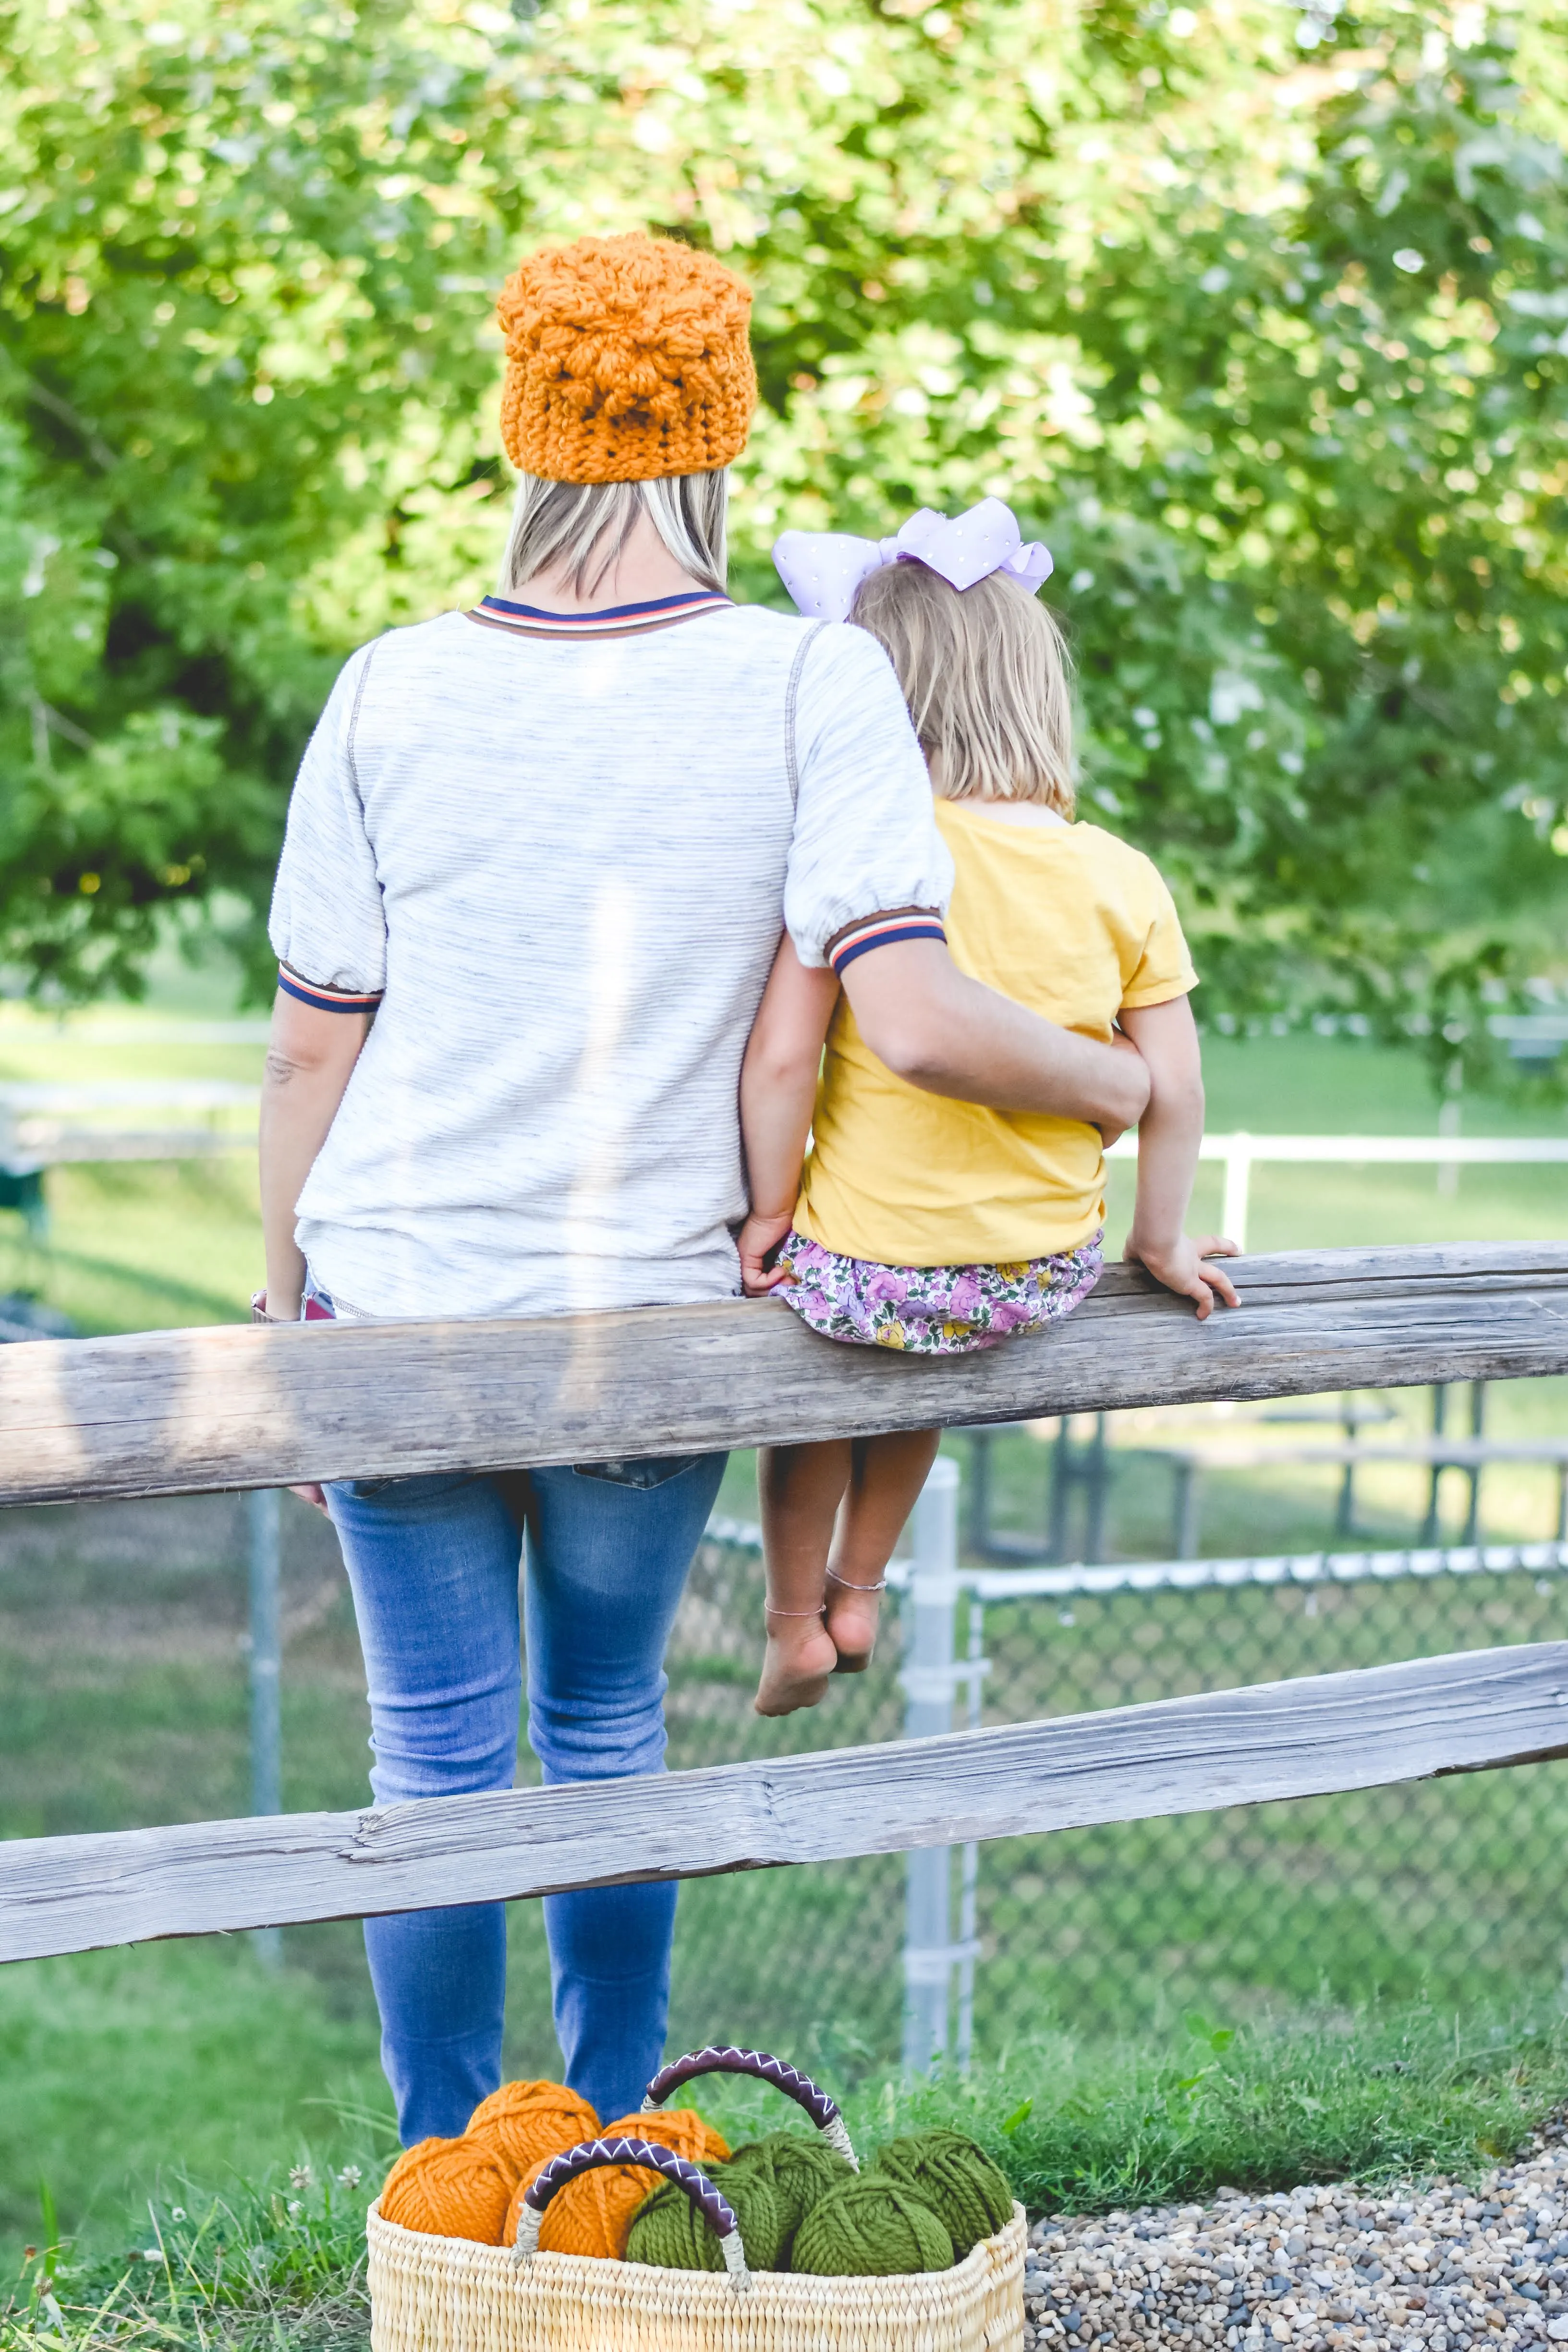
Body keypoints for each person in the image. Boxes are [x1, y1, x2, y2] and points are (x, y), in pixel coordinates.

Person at [256, 233, 1150, 2144]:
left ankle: (443, 2177)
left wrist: (282, 1309)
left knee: (433, 1763)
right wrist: (1121, 1082)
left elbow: (310, 1047)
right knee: (603, 1732)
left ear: (525, 434)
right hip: (646, 1333)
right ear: (718, 437)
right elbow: (905, 1014)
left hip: (394, 1314)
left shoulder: (391, 688)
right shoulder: (808, 681)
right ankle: (607, 2152)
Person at [737, 500, 1240, 1717]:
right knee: (927, 1383)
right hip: (1032, 1280)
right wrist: (1159, 1242)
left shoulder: (870, 853)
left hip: (868, 1268)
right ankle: (867, 1587)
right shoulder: (1122, 875)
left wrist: (771, 1211)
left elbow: (779, 1061)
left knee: (822, 1396)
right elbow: (1175, 1087)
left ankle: (798, 1621)